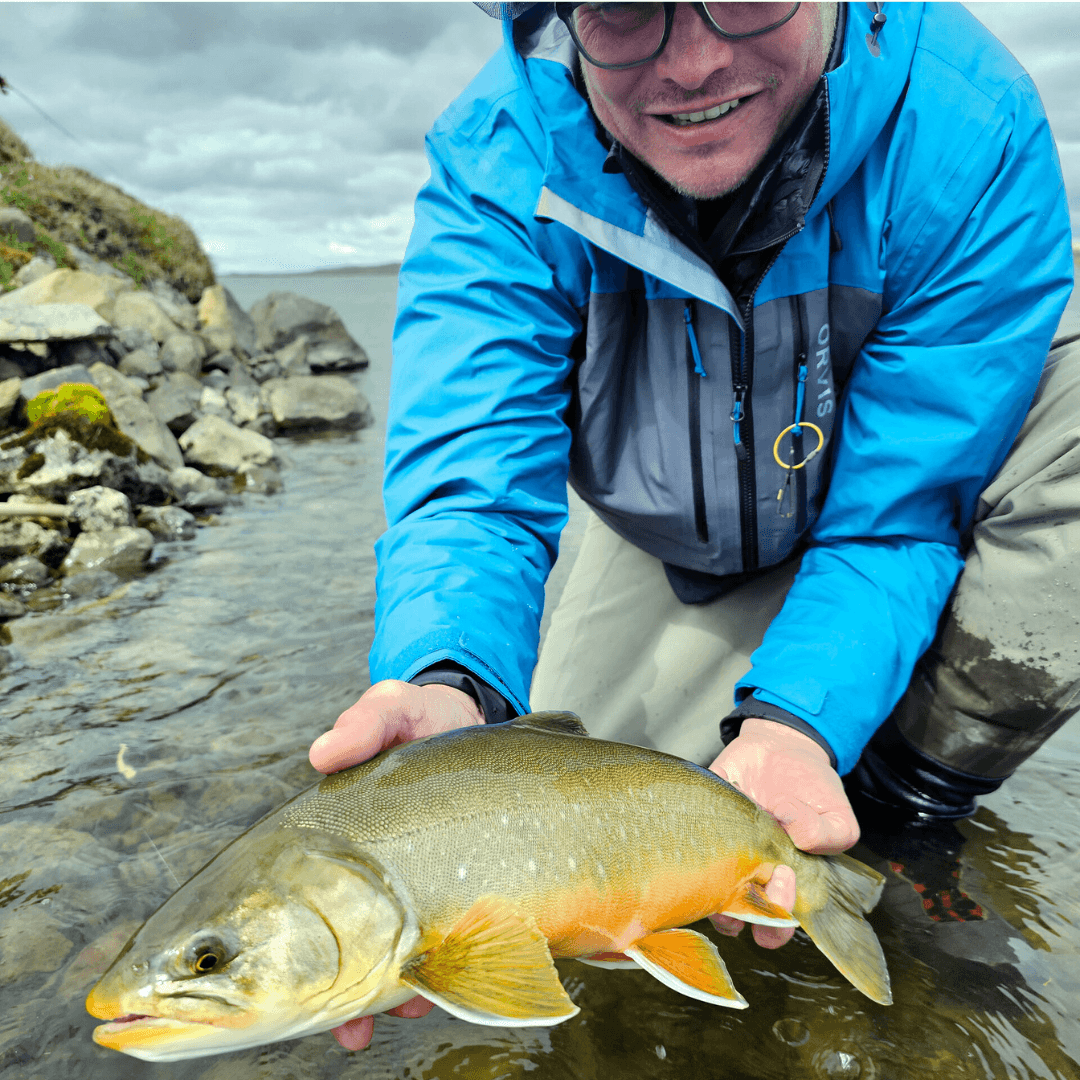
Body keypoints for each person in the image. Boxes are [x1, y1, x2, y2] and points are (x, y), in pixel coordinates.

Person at [309, 1, 1075, 1049]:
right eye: (625, 7)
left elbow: (898, 515)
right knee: (571, 851)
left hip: (879, 505)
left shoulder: (968, 122)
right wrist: (449, 681)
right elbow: (473, 488)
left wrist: (797, 726)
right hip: (666, 533)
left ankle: (905, 816)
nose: (697, 60)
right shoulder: (500, 154)